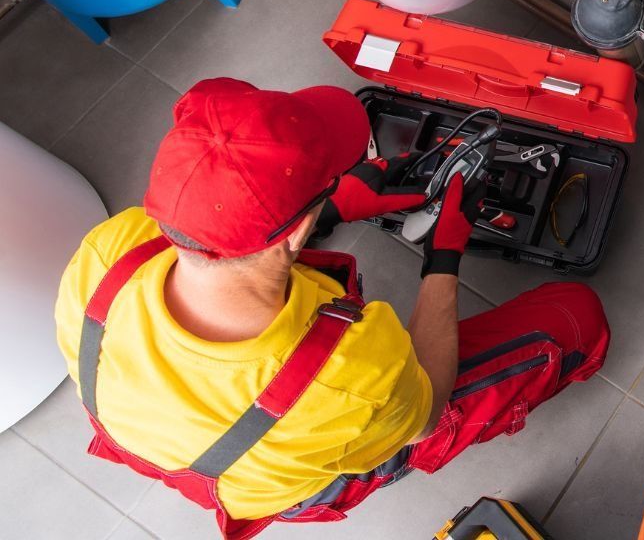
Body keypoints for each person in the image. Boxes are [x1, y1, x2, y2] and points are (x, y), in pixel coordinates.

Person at [53, 77, 609, 538]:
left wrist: (329, 210)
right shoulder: (349, 372)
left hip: (170, 436)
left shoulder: (109, 251)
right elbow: (425, 408)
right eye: (324, 192)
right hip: (291, 479)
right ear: (293, 232)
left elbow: (224, 241)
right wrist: (444, 258)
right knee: (575, 316)